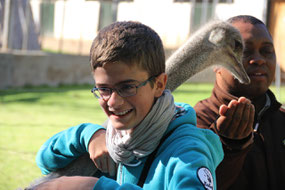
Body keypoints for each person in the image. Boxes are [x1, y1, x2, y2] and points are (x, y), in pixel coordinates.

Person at [34, 21, 223, 190]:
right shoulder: (118, 137)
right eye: (104, 89)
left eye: (127, 87)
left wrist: (95, 187)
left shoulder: (188, 151)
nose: (113, 102)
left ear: (159, 85)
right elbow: (44, 161)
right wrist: (87, 135)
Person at [194, 15, 285, 190]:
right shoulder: (195, 123)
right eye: (243, 51)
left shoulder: (282, 120)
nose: (259, 59)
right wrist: (229, 147)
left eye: (266, 51)